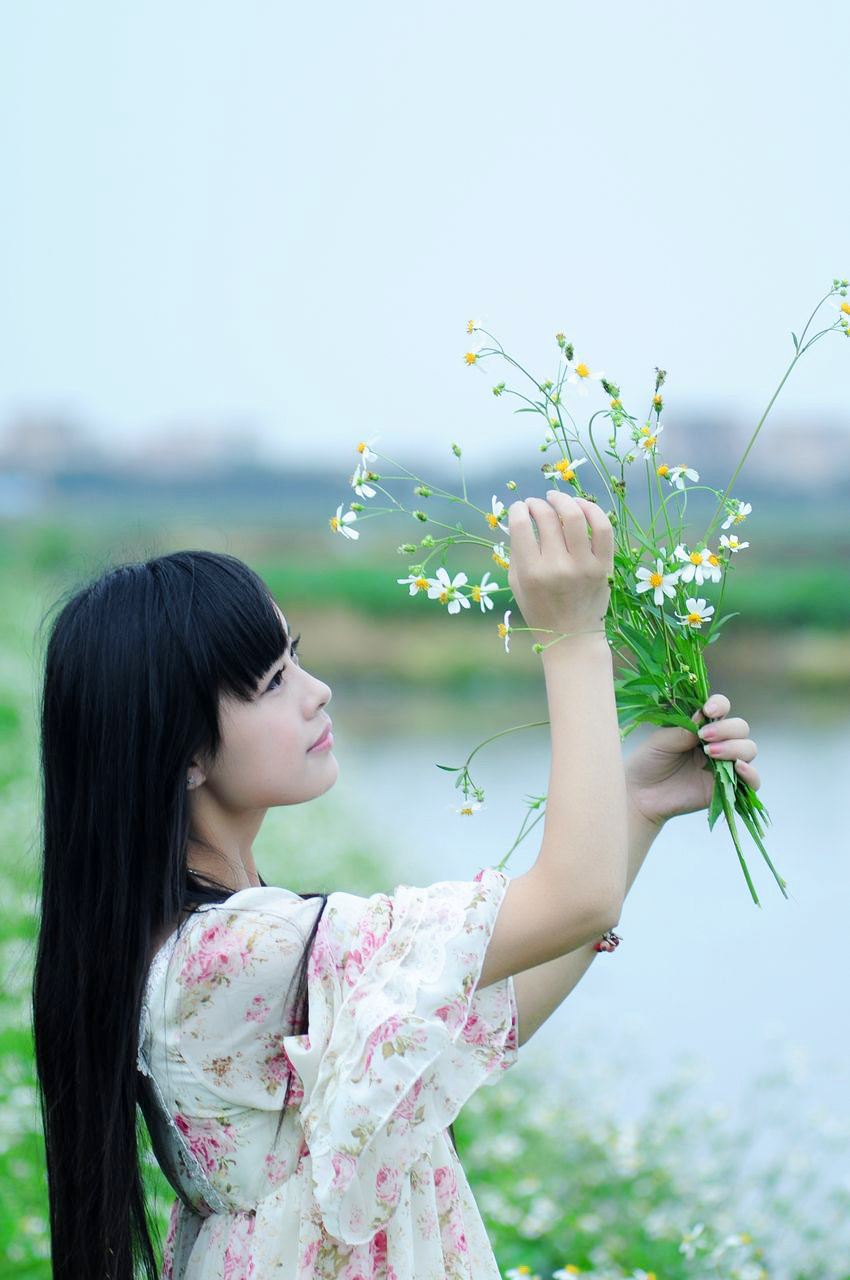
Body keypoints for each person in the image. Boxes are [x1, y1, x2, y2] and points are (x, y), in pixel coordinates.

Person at [31, 493, 761, 1279]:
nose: (317, 691)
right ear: (184, 754)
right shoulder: (236, 954)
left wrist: (637, 808)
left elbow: (486, 1015)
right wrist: (573, 633)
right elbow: (575, 897)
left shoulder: (232, 937)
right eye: (274, 680)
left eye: (298, 657)